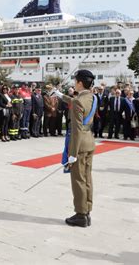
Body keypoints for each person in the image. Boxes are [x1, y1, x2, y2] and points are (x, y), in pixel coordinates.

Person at [53, 69, 96, 228]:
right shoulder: (92, 97)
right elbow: (75, 102)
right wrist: (59, 95)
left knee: (78, 180)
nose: (74, 84)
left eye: (75, 81)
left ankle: (80, 214)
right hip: (89, 142)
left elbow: (77, 130)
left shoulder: (78, 101)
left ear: (79, 82)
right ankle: (87, 210)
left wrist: (72, 154)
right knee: (87, 179)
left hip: (79, 145)